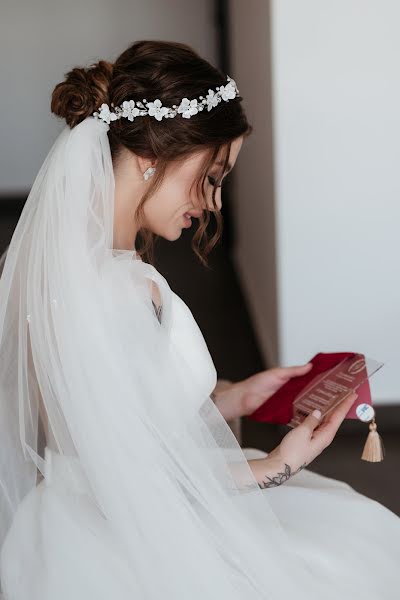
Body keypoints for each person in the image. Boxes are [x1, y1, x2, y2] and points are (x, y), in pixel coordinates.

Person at [0, 39, 398, 600]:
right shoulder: (126, 289)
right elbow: (136, 480)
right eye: (210, 175)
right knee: (361, 556)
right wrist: (276, 466)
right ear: (151, 158)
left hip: (64, 524)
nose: (212, 202)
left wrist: (234, 398)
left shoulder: (49, 273)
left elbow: (98, 422)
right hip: (137, 543)